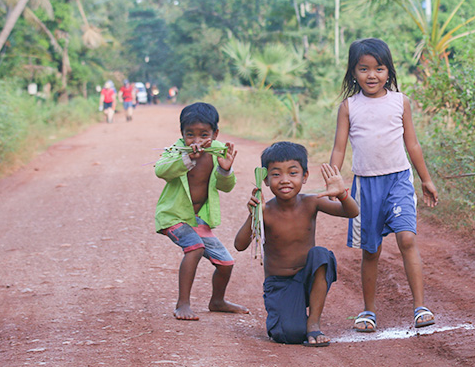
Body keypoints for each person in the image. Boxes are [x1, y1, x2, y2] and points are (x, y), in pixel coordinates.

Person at [329, 38, 438, 332]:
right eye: (364, 69)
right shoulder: (348, 107)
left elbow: (412, 143)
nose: (372, 75)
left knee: (407, 239)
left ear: (389, 71)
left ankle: (420, 306)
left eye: (379, 68)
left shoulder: (400, 102)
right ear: (353, 72)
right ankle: (368, 311)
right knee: (371, 250)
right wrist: (334, 177)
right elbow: (339, 149)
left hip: (399, 179)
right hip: (365, 186)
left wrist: (426, 179)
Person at [235, 142, 359, 347]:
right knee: (290, 335)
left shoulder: (312, 202)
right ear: (265, 179)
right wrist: (253, 215)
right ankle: (292, 318)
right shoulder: (265, 211)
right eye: (276, 174)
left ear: (305, 176)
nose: (285, 180)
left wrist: (342, 193)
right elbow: (239, 245)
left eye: (293, 173)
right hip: (280, 285)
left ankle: (314, 323)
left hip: (307, 278)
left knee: (321, 255)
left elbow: (351, 212)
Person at [154, 102, 248, 321]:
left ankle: (217, 301)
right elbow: (160, 170)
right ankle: (182, 304)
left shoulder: (217, 152)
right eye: (190, 135)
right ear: (181, 134)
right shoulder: (177, 150)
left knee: (226, 264)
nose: (196, 141)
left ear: (215, 133)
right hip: (174, 217)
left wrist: (225, 169)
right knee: (194, 248)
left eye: (203, 134)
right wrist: (186, 159)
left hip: (197, 220)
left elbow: (226, 187)